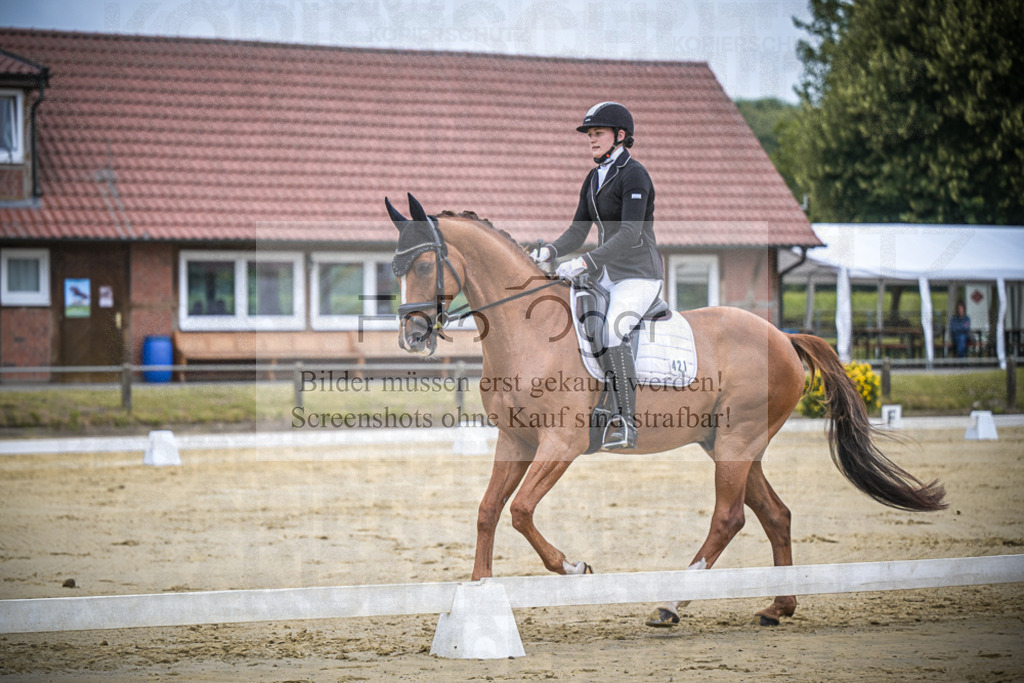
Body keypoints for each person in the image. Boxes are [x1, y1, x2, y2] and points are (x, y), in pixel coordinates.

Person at [531, 102, 663, 450]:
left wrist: (586, 263)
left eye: (597, 133)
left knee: (613, 330)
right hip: (609, 274)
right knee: (572, 318)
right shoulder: (594, 178)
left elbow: (630, 234)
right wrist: (550, 252)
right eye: (589, 134)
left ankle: (626, 422)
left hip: (639, 275)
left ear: (620, 136)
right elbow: (577, 232)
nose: (591, 139)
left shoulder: (635, 175)